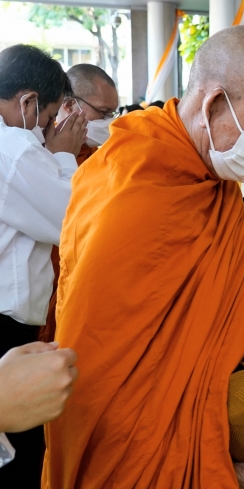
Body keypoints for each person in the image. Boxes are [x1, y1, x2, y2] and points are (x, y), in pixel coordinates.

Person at [43, 26, 244, 489]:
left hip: (198, 426)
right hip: (124, 444)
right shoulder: (130, 186)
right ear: (213, 105)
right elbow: (100, 361)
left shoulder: (215, 184)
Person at [0, 44, 86, 488]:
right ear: (28, 102)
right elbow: (70, 219)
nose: (51, 130)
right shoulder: (13, 145)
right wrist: (64, 155)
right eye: (51, 117)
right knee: (20, 457)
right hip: (4, 327)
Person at [40, 65, 121, 345]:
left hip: (87, 281)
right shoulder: (35, 152)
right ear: (69, 104)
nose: (109, 122)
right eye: (103, 112)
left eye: (113, 114)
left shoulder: (107, 157)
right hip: (44, 285)